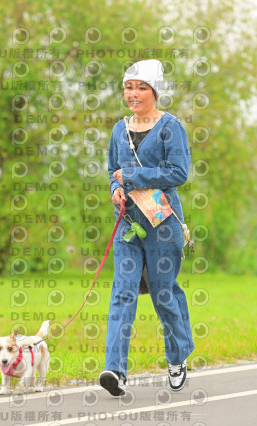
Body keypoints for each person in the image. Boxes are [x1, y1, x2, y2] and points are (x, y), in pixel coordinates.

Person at [99, 59, 194, 396]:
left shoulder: (171, 127)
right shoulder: (119, 129)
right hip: (127, 223)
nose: (133, 94)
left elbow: (178, 173)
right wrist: (116, 188)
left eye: (141, 88)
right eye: (129, 87)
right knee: (122, 292)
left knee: (163, 293)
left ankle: (177, 356)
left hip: (162, 223)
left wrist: (132, 176)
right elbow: (112, 170)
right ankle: (115, 370)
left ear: (155, 91)